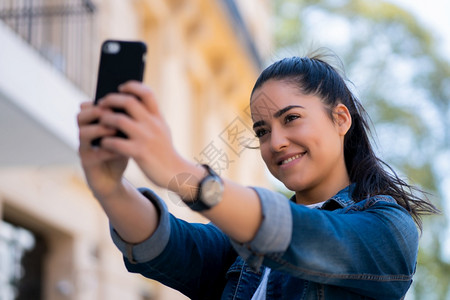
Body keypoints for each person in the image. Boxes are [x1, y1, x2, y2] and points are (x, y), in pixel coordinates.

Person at [77, 52, 438, 299]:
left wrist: (180, 172)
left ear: (340, 119)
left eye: (291, 118)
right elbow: (171, 245)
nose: (276, 142)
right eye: (262, 130)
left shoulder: (388, 229)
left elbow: (298, 234)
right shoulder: (240, 240)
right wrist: (110, 188)